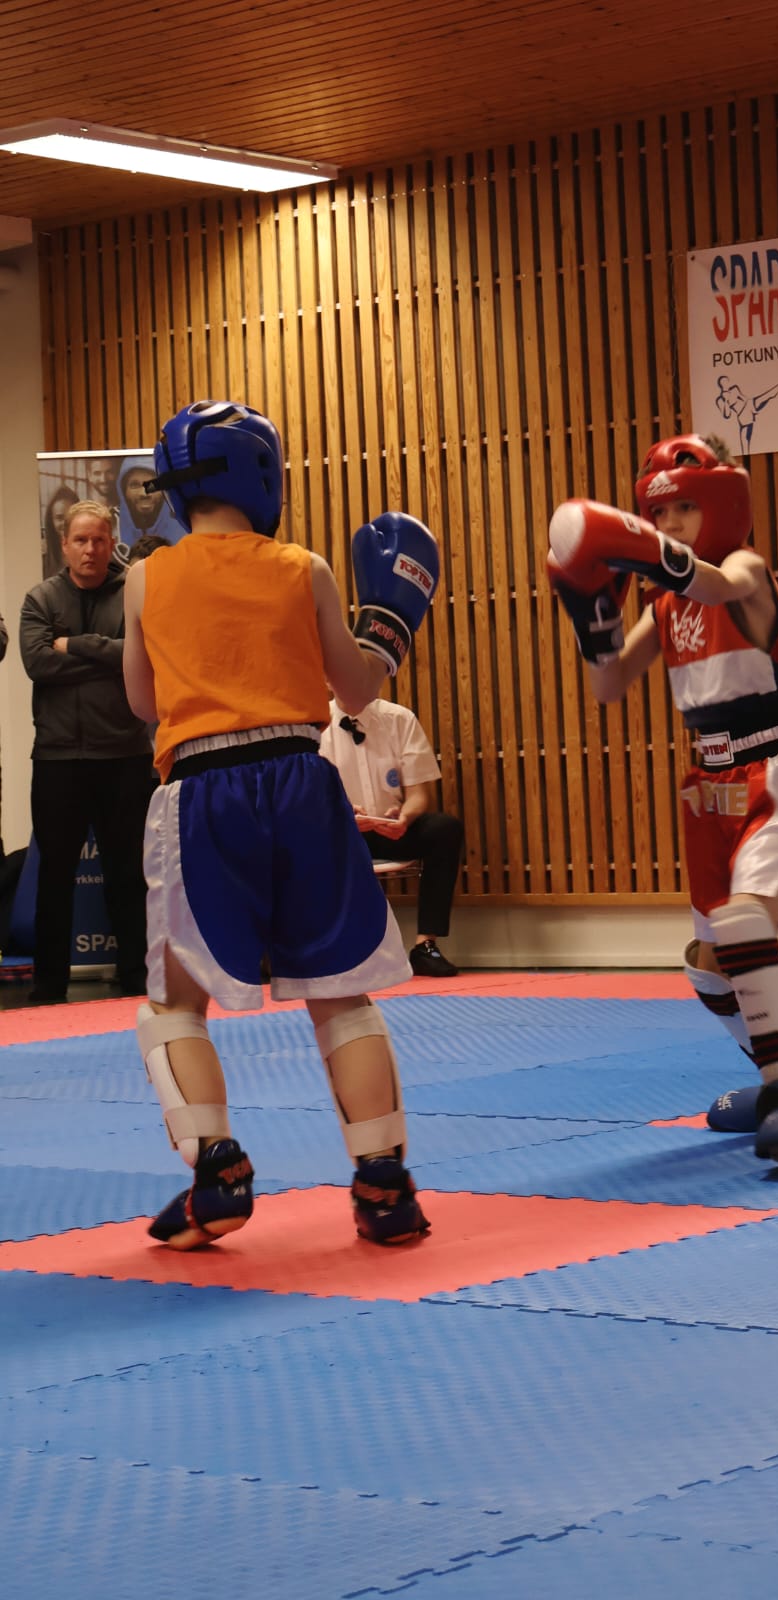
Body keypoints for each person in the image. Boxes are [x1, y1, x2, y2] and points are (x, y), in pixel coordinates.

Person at [123, 399, 441, 1250]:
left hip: (202, 789)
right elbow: (358, 692)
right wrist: (390, 627)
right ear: (263, 475)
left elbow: (143, 703)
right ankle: (384, 1186)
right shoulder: (305, 567)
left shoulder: (147, 577)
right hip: (304, 780)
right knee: (340, 993)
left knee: (174, 1002)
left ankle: (214, 1167)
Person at [548, 434, 778, 1167]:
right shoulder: (663, 600)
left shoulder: (745, 569)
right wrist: (592, 617)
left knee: (746, 922)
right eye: (660, 513)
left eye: (685, 508)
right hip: (708, 787)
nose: (671, 523)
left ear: (722, 504)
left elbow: (718, 584)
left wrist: (644, 549)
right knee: (709, 965)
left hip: (771, 769)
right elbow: (609, 686)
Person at [19, 499, 157, 1005]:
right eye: (81, 540)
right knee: (54, 877)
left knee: (129, 876)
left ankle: (137, 982)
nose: (90, 549)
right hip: (58, 759)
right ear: (65, 545)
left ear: (111, 543)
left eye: (99, 540)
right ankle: (48, 988)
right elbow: (37, 664)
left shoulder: (134, 593)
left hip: (125, 756)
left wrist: (71, 645)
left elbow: (143, 655)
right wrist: (107, 654)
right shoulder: (40, 598)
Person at [320, 696, 462, 977]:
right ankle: (333, 948)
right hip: (340, 832)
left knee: (445, 828)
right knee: (298, 839)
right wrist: (342, 812)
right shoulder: (316, 724)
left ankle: (425, 946)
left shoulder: (399, 718)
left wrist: (405, 816)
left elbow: (419, 794)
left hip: (392, 829)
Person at [116, 456, 183, 549]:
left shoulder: (184, 534)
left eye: (153, 485)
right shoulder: (113, 531)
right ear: (123, 491)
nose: (144, 494)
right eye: (135, 485)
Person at [42, 484, 78, 577]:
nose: (66, 523)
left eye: (71, 516)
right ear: (51, 521)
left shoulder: (90, 554)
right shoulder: (42, 560)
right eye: (59, 517)